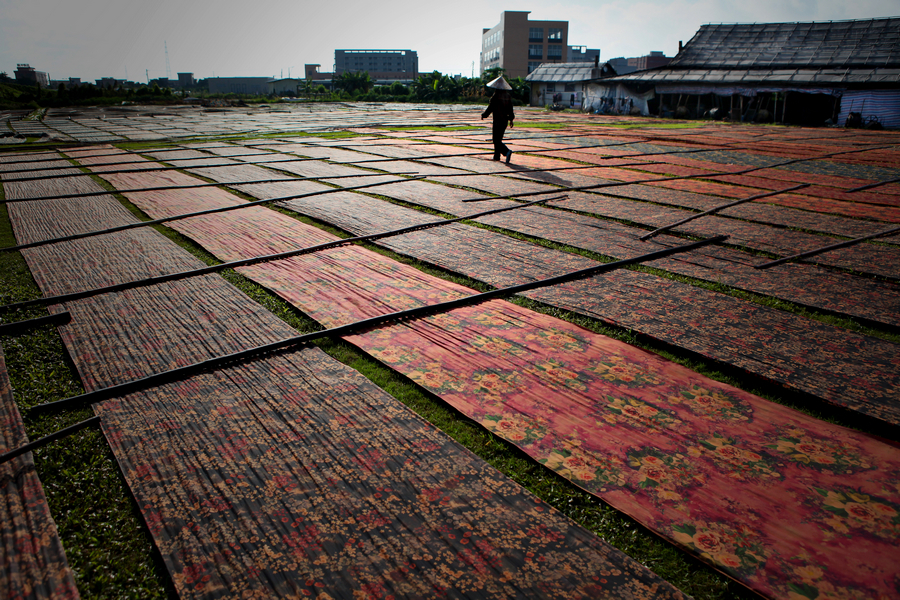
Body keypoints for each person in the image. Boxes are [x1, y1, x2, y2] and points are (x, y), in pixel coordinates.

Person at [481, 76, 515, 163]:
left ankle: (506, 151)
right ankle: (497, 156)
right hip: (504, 121)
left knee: (496, 140)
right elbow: (510, 110)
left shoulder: (495, 97)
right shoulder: (507, 96)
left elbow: (490, 108)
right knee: (498, 139)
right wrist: (511, 120)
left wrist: (484, 115)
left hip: (497, 121)